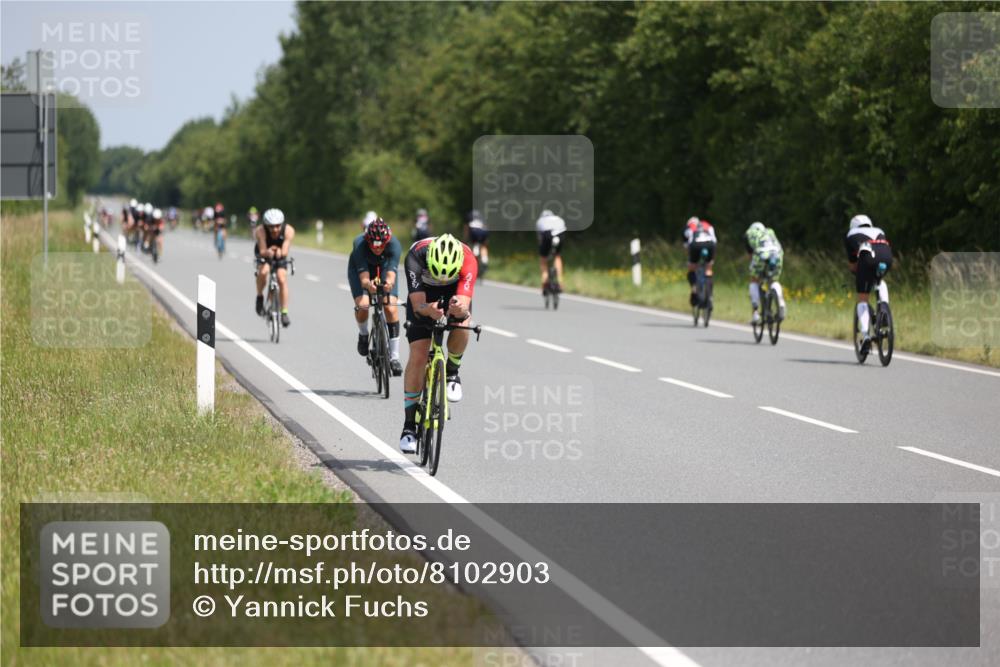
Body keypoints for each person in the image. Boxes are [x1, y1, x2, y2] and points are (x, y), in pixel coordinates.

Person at [399, 233, 478, 453]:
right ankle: (409, 427)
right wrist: (428, 310)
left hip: (454, 291)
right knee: (418, 354)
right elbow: (417, 305)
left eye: (446, 275)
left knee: (463, 322)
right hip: (425, 292)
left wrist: (459, 309)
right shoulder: (415, 256)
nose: (442, 277)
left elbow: (464, 303)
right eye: (438, 273)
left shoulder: (468, 259)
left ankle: (452, 371)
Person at [349, 218, 403, 375]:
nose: (377, 248)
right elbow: (364, 278)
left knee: (391, 308)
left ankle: (394, 357)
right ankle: (364, 334)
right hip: (361, 270)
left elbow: (392, 274)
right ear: (367, 240)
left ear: (387, 241)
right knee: (364, 304)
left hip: (384, 267)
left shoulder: (394, 245)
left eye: (381, 245)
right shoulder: (359, 244)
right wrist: (368, 285)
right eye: (373, 245)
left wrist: (389, 284)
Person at [845, 214, 892, 355]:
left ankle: (865, 335)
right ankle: (884, 308)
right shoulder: (880, 230)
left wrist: (858, 275)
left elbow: (853, 265)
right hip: (886, 255)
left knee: (862, 299)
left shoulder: (850, 234)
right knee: (879, 280)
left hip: (867, 256)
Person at [253, 208, 296, 327]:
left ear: (281, 224)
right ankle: (260, 296)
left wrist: (279, 251)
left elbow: (285, 251)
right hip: (265, 252)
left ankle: (284, 312)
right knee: (264, 271)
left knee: (281, 278)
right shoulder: (260, 231)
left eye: (277, 226)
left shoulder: (289, 230)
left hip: (280, 253)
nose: (274, 229)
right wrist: (268, 251)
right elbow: (262, 250)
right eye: (271, 227)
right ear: (266, 225)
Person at [744, 221, 786, 323]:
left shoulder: (749, 233)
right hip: (777, 254)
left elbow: (751, 255)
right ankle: (780, 301)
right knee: (773, 280)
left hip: (761, 254)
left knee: (754, 280)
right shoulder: (770, 231)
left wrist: (753, 270)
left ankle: (755, 312)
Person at [683, 216, 717, 306]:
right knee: (709, 267)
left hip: (695, 245)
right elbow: (714, 241)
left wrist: (691, 261)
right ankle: (709, 295)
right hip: (710, 245)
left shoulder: (689, 227)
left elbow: (687, 246)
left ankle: (694, 289)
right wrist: (711, 260)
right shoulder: (708, 225)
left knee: (692, 268)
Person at [535, 209, 567, 292]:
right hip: (560, 234)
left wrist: (542, 250)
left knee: (543, 259)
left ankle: (544, 281)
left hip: (547, 234)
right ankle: (560, 281)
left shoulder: (540, 221)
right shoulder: (558, 218)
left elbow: (540, 239)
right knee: (557, 256)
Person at [464, 209, 490, 277]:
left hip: (474, 231)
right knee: (483, 246)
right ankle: (485, 260)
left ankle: (474, 263)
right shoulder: (482, 216)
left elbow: (466, 228)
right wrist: (486, 241)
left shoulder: (469, 216)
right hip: (484, 231)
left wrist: (465, 240)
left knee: (473, 245)